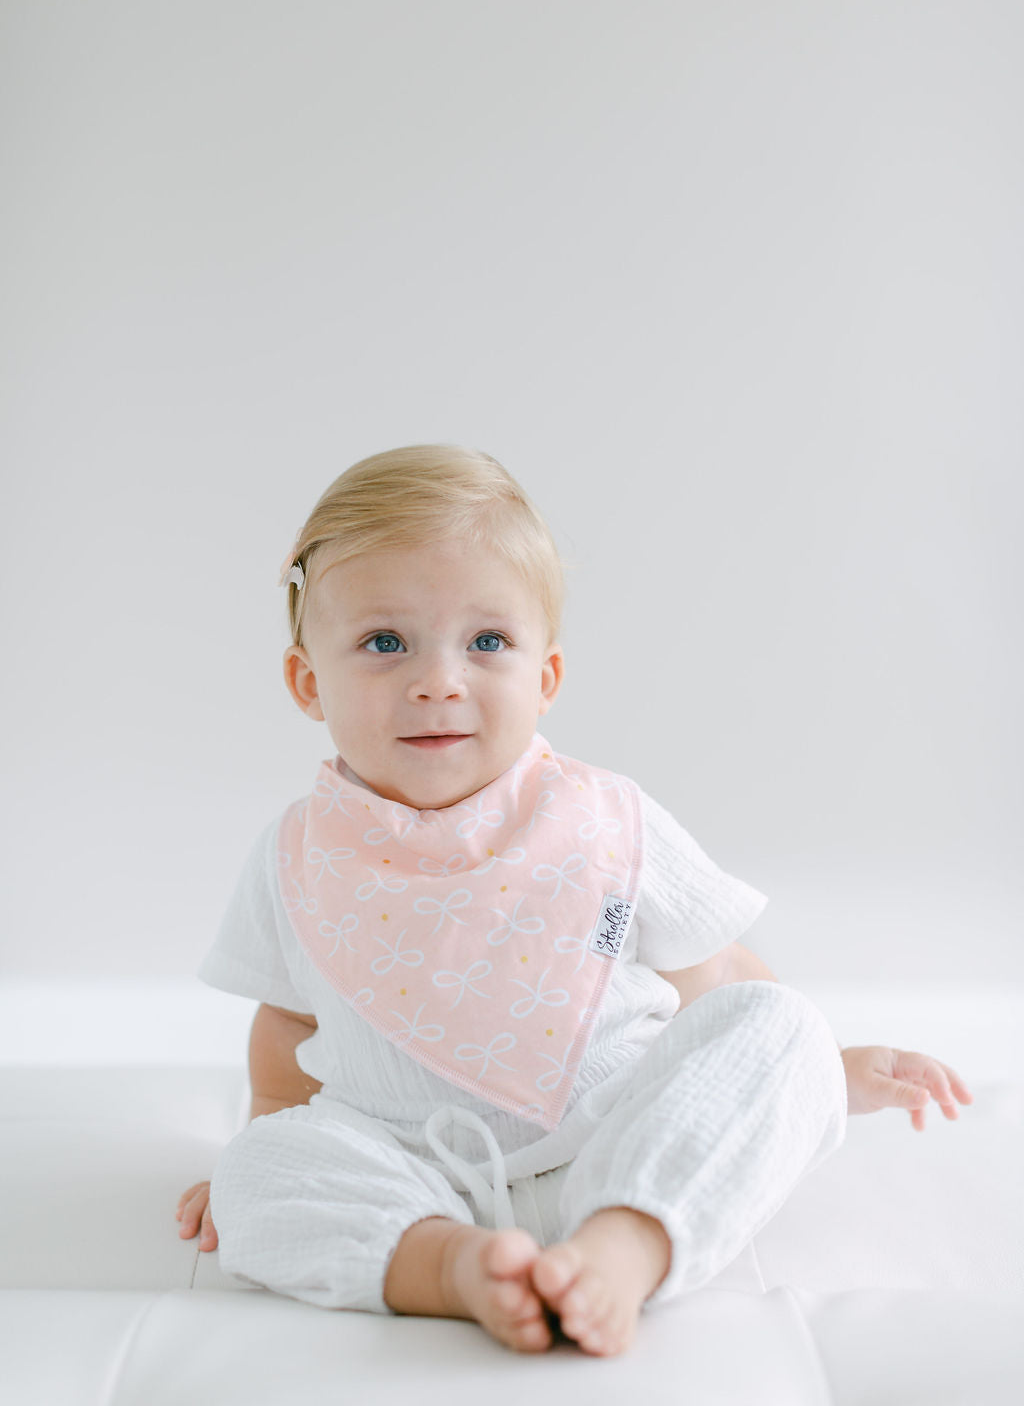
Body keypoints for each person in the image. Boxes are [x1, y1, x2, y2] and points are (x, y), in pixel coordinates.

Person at [180, 444, 972, 1358]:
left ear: (545, 678)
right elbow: (283, 1037)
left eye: (487, 642)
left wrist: (825, 1066)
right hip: (409, 1169)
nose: (440, 679)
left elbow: (715, 978)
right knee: (254, 1173)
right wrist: (270, 1155)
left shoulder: (608, 822)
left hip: (620, 1141)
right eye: (384, 642)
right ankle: (452, 1266)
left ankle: (625, 1245)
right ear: (307, 682)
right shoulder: (296, 855)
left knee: (778, 1025)